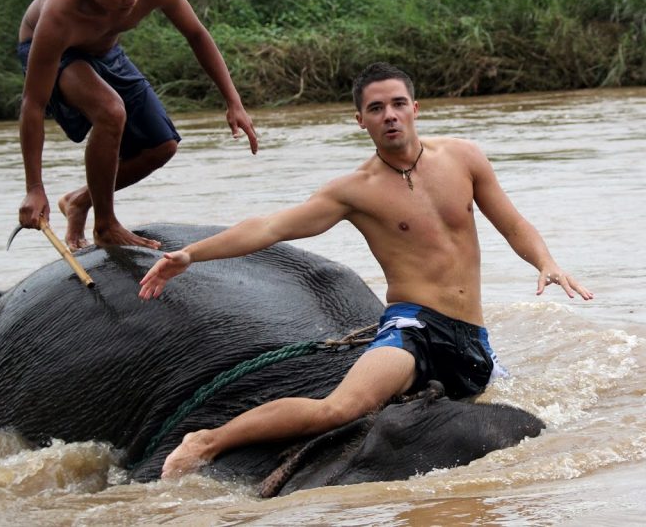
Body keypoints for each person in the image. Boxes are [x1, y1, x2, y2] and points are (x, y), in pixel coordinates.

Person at [138, 61, 594, 479]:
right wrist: (191, 255)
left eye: (397, 104)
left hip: (472, 337)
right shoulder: (355, 191)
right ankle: (208, 441)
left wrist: (546, 262)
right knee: (340, 409)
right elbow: (271, 227)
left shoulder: (465, 158)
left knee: (534, 426)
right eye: (376, 108)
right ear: (361, 120)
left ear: (415, 108)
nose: (390, 115)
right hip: (412, 326)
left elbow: (512, 223)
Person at [17, 0, 259, 250]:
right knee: (110, 111)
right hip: (58, 51)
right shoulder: (60, 15)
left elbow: (197, 35)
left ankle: (79, 201)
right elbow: (33, 103)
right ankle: (106, 226)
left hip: (105, 49)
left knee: (162, 146)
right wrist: (35, 187)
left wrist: (234, 100)